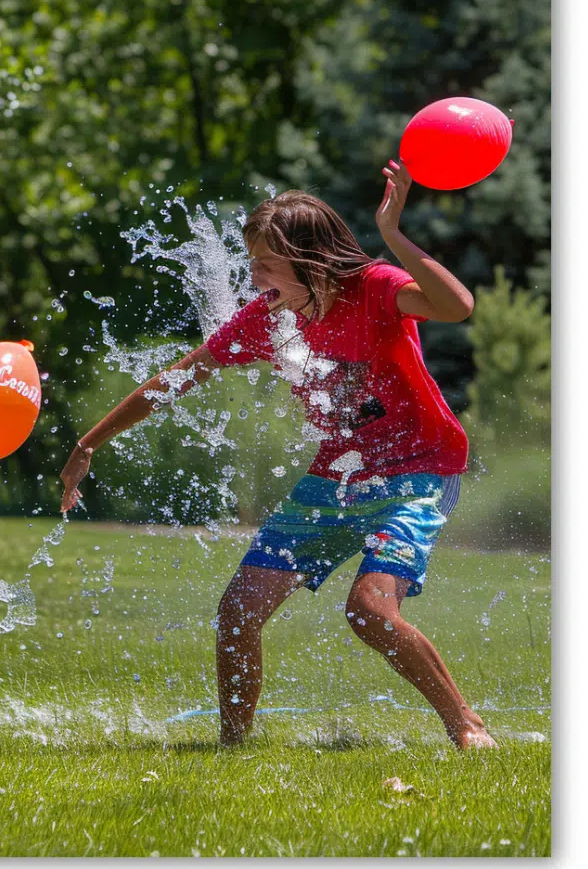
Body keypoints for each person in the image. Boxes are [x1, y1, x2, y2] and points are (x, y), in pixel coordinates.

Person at [60, 159, 497, 751]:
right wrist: (89, 443)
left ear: (309, 260)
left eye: (264, 262)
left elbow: (456, 306)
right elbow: (179, 378)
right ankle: (232, 746)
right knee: (237, 612)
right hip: (335, 478)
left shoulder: (376, 289)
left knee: (368, 610)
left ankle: (465, 725)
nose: (253, 274)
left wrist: (394, 234)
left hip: (418, 471)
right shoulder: (268, 319)